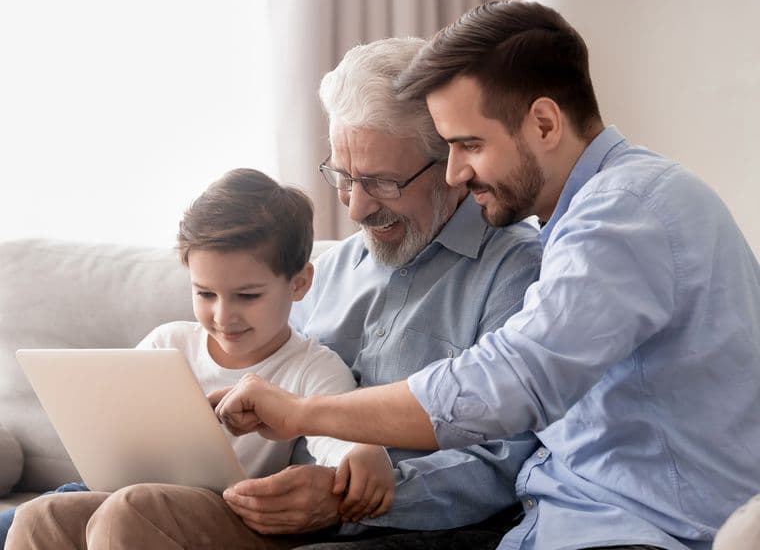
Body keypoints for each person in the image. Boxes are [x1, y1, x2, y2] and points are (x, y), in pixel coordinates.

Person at [211, 0, 760, 550]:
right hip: (559, 521)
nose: (456, 173)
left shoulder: (625, 210)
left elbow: (507, 384)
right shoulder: (589, 215)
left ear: (544, 124)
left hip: (642, 531)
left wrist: (305, 414)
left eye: (470, 144)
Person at [10, 36, 544, 549]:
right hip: (245, 500)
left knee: (131, 514)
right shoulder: (335, 268)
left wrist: (348, 497)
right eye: (343, 177)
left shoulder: (514, 271)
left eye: (382, 182)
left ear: (450, 165)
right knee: (40, 519)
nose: (355, 209)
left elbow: (507, 460)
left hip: (376, 525)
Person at [5, 169, 396, 549]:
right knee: (40, 515)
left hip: (240, 517)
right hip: (144, 496)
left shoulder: (311, 366)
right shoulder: (167, 343)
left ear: (299, 284)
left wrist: (361, 452)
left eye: (247, 296)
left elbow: (339, 438)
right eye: (205, 294)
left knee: (130, 509)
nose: (223, 316)